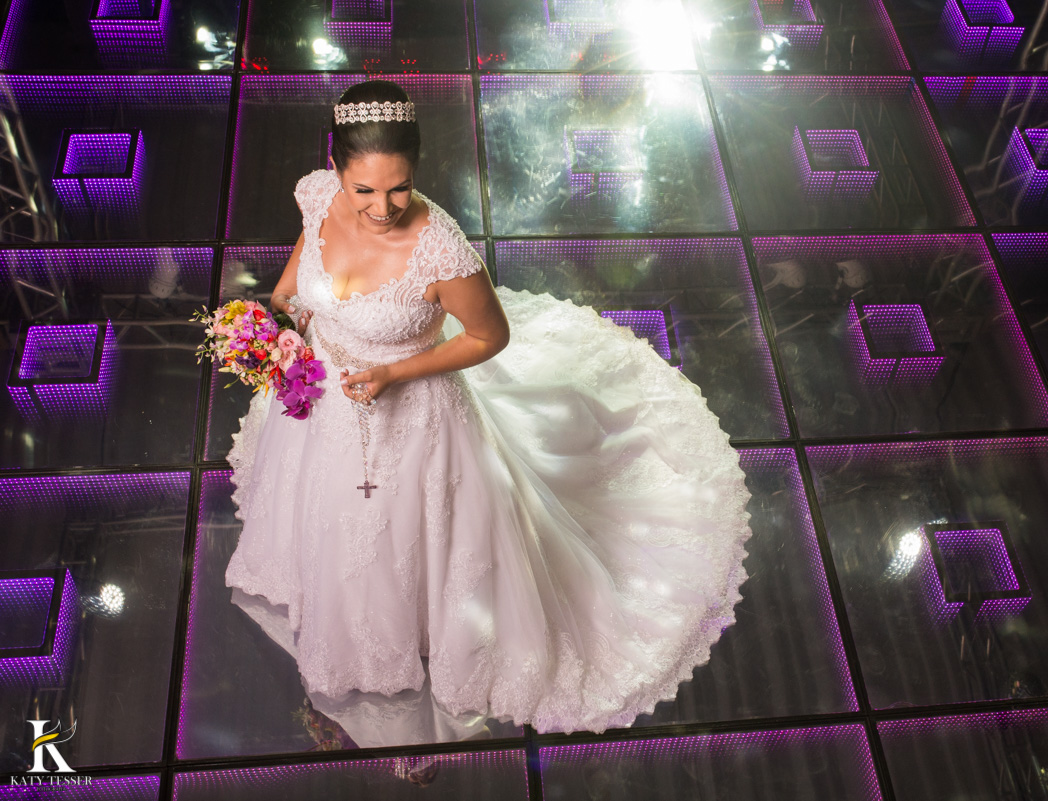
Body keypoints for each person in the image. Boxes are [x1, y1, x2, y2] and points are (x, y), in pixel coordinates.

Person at [223, 80, 753, 743]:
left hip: (414, 411)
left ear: (416, 169)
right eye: (364, 191)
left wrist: (393, 372)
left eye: (399, 187)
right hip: (325, 394)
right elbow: (293, 287)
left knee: (405, 532)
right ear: (335, 167)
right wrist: (284, 324)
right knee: (329, 514)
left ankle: (419, 626)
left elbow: (488, 337)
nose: (382, 207)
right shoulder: (318, 197)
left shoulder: (441, 249)